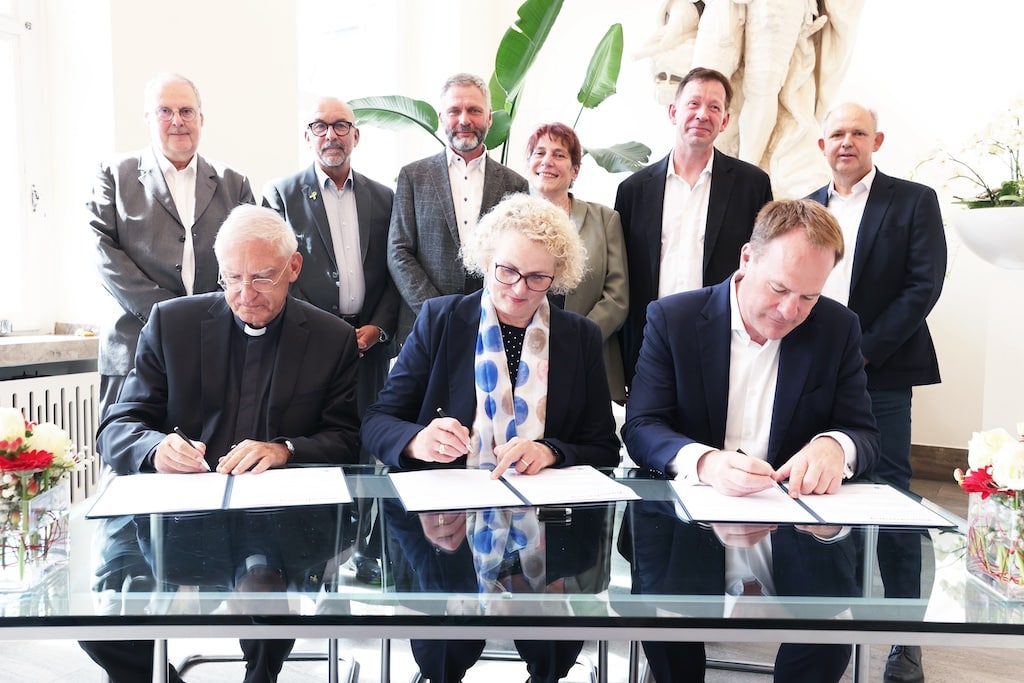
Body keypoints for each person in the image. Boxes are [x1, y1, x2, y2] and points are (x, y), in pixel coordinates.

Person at [80, 204, 361, 683]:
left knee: (266, 594)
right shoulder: (172, 324)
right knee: (102, 617)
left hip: (277, 517)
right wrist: (154, 448)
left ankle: (261, 676)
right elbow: (118, 424)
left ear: (293, 268)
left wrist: (285, 450)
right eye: (232, 278)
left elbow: (348, 440)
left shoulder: (332, 338)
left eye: (262, 278)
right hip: (170, 516)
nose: (244, 294)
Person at [363, 194, 620, 683]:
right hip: (445, 522)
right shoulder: (441, 320)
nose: (519, 289)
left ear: (557, 276)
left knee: (553, 654)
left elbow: (603, 446)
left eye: (537, 278)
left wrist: (550, 450)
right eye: (506, 271)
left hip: (547, 524)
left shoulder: (578, 336)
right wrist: (419, 441)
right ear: (486, 261)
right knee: (444, 653)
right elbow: (378, 420)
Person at [621, 199, 880, 682]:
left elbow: (864, 433)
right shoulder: (674, 318)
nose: (789, 311)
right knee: (667, 632)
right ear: (746, 259)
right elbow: (642, 427)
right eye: (779, 288)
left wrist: (833, 445)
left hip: (794, 521)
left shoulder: (837, 328)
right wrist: (705, 463)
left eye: (808, 297)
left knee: (829, 638)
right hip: (691, 515)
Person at [808, 102, 947, 683]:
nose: (847, 142)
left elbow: (923, 285)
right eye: (836, 133)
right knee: (824, 491)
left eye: (857, 133)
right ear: (822, 145)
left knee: (893, 499)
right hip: (814, 371)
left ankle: (906, 637)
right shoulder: (807, 206)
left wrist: (862, 351)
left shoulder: (913, 200)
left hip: (881, 371)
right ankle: (826, 618)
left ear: (877, 140)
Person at [262, 96, 398, 585]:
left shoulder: (385, 197)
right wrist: (328, 333)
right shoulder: (281, 195)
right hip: (310, 348)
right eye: (320, 126)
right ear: (308, 136)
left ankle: (362, 549)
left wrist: (378, 327)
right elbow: (280, 273)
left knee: (366, 446)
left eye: (342, 126)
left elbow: (393, 270)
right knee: (317, 445)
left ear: (356, 136)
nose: (331, 135)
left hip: (370, 345)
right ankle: (315, 551)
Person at [90, 72, 255, 418]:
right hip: (133, 346)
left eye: (186, 111)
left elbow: (249, 256)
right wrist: (170, 317)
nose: (177, 121)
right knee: (128, 456)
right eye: (165, 111)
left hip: (213, 349)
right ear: (148, 118)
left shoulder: (234, 183)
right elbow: (103, 253)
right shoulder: (113, 174)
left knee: (203, 462)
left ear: (201, 118)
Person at [614, 66, 772, 393]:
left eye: (714, 107)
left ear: (725, 120)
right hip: (650, 343)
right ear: (674, 112)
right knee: (648, 437)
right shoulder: (634, 190)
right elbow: (622, 274)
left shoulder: (752, 185)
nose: (703, 114)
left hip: (725, 344)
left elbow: (763, 265)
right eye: (693, 104)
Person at [388, 72, 528, 344]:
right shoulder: (413, 176)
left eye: (474, 110)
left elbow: (517, 260)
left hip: (492, 326)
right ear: (442, 117)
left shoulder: (515, 185)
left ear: (489, 117)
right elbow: (398, 252)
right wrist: (438, 310)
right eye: (455, 110)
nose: (464, 119)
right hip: (424, 326)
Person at [526, 122, 629, 402]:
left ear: (574, 170)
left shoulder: (604, 219)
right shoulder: (510, 219)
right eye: (539, 152)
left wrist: (575, 339)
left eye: (559, 155)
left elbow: (617, 297)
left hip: (587, 354)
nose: (547, 161)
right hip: (524, 355)